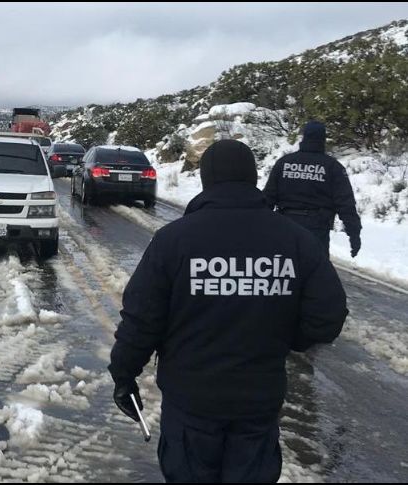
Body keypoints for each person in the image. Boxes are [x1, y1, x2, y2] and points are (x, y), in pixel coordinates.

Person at [108, 140, 349, 483]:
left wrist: (124, 373)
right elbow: (328, 315)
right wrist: (285, 338)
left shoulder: (173, 240)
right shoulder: (295, 240)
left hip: (192, 398)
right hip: (259, 397)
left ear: (206, 180)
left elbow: (142, 317)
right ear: (253, 178)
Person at [264, 120, 361, 257]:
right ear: (323, 139)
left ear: (304, 137)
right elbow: (345, 204)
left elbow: (267, 199)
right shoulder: (332, 167)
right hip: (317, 229)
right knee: (316, 268)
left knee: (285, 267)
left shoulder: (284, 163)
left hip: (285, 226)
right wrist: (354, 234)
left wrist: (259, 228)